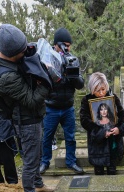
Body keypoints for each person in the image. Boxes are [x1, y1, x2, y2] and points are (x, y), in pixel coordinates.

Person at [0, 24, 54, 192]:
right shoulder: (6, 77)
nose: (26, 52)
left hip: (32, 118)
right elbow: (33, 100)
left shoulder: (10, 61)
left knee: (36, 153)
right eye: (23, 50)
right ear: (13, 53)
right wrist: (46, 79)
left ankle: (38, 184)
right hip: (26, 121)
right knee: (31, 159)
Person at [39, 28, 85, 175]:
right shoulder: (46, 59)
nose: (68, 48)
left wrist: (71, 71)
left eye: (69, 45)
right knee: (47, 137)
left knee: (70, 137)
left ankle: (71, 161)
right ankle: (44, 162)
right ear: (57, 44)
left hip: (67, 107)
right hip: (51, 107)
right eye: (65, 44)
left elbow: (80, 84)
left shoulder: (72, 59)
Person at [80, 72, 124, 175]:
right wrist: (101, 132)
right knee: (99, 172)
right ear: (92, 89)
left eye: (103, 89)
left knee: (112, 171)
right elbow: (84, 120)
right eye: (97, 90)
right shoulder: (87, 100)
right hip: (97, 144)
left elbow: (123, 115)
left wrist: (119, 129)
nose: (101, 93)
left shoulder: (113, 97)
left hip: (113, 142)